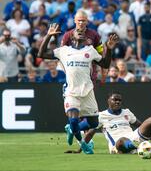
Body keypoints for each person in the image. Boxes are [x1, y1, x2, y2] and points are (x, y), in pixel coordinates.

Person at [38, 23, 119, 154]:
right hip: (71, 92)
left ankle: (71, 129)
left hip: (87, 91)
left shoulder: (90, 50)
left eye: (83, 31)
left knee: (93, 123)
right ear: (72, 36)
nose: (81, 31)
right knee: (74, 120)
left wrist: (108, 49)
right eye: (77, 30)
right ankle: (82, 143)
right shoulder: (64, 50)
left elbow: (105, 63)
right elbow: (41, 53)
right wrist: (48, 36)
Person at [83, 92, 151, 154]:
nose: (117, 102)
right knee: (122, 139)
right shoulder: (101, 116)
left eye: (119, 100)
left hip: (133, 137)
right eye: (115, 100)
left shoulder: (126, 112)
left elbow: (139, 125)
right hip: (117, 145)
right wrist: (81, 148)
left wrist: (149, 135)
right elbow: (90, 133)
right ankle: (139, 149)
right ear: (108, 101)